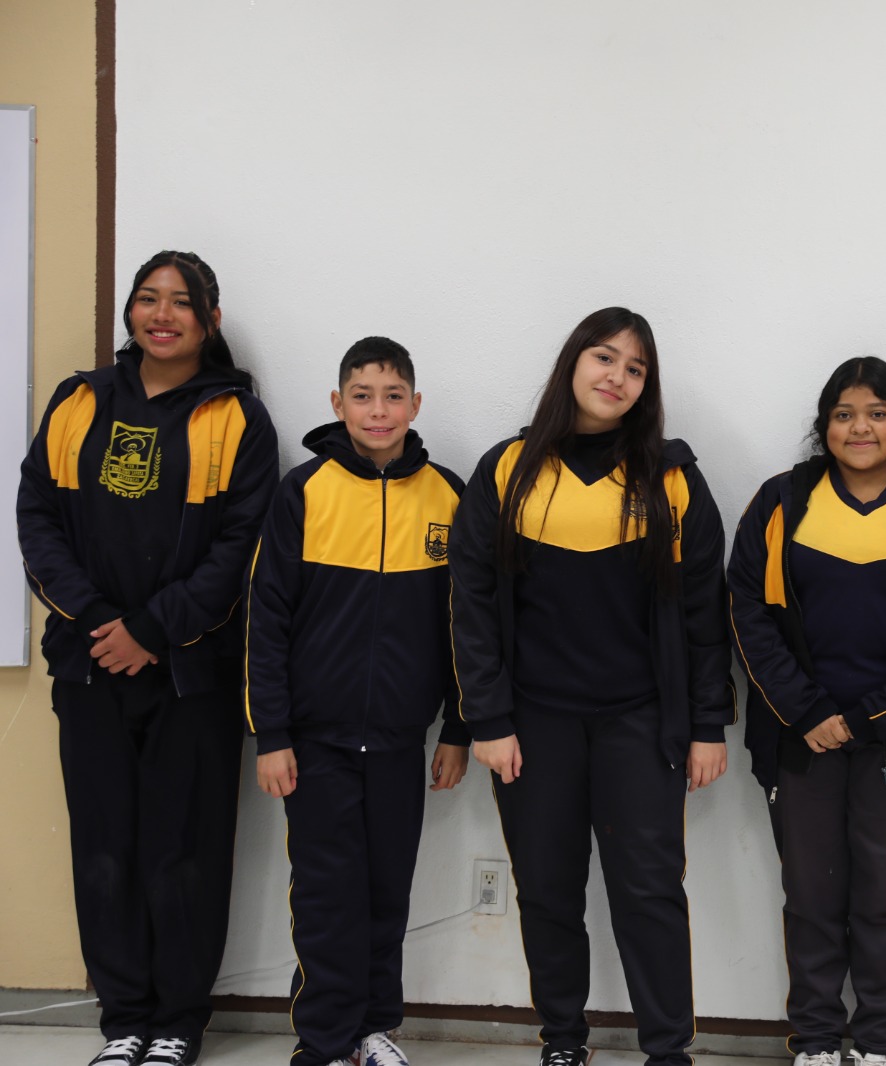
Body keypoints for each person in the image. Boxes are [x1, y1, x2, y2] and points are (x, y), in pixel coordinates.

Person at [448, 307, 734, 1066]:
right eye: (605, 358)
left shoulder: (672, 479)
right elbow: (472, 603)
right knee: (546, 889)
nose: (617, 377)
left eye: (636, 368)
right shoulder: (507, 469)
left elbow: (705, 616)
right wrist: (487, 718)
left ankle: (668, 1050)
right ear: (573, 362)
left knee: (650, 891)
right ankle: (563, 1041)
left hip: (640, 723)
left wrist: (709, 725)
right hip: (533, 724)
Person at [17, 251, 279, 1066]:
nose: (162, 315)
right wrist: (103, 624)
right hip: (88, 664)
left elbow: (240, 549)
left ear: (211, 320)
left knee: (184, 851)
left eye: (181, 302)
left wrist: (153, 631)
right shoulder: (80, 402)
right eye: (147, 299)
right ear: (131, 312)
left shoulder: (238, 418)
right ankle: (124, 1019)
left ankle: (177, 1023)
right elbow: (36, 518)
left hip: (192, 675)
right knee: (104, 849)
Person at [729, 357, 886, 1066]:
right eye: (844, 414)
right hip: (799, 737)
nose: (861, 428)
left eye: (878, 414)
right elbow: (746, 612)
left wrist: (873, 718)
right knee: (811, 895)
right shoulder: (781, 503)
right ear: (825, 427)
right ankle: (814, 1041)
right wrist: (806, 711)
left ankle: (877, 1043)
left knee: (884, 898)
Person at [243, 336, 470, 1066]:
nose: (379, 411)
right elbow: (266, 622)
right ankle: (324, 1041)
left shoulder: (448, 496)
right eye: (363, 396)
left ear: (416, 404)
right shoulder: (303, 492)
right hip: (315, 742)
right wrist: (272, 735)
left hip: (402, 740)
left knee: (385, 890)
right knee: (326, 895)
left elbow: (469, 627)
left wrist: (458, 729)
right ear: (337, 404)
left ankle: (373, 1030)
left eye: (393, 396)